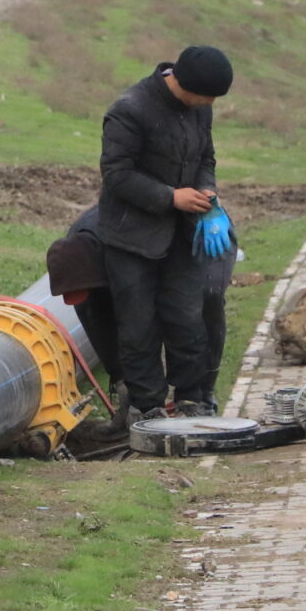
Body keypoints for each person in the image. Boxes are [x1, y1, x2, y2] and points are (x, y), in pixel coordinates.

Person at [93, 45, 232, 416]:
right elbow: (117, 175)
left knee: (188, 317)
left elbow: (206, 158)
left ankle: (191, 398)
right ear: (183, 85)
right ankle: (147, 406)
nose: (209, 104)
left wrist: (207, 189)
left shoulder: (200, 109)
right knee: (138, 326)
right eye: (206, 97)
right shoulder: (130, 110)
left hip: (182, 234)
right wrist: (171, 198)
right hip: (130, 238)